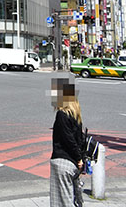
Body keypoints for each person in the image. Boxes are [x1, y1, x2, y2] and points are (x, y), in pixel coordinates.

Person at [50, 78, 85, 207]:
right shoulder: (76, 115)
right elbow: (79, 139)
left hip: (62, 162)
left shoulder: (62, 115)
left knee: (61, 200)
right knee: (73, 198)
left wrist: (78, 158)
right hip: (73, 164)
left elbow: (68, 139)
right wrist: (79, 160)